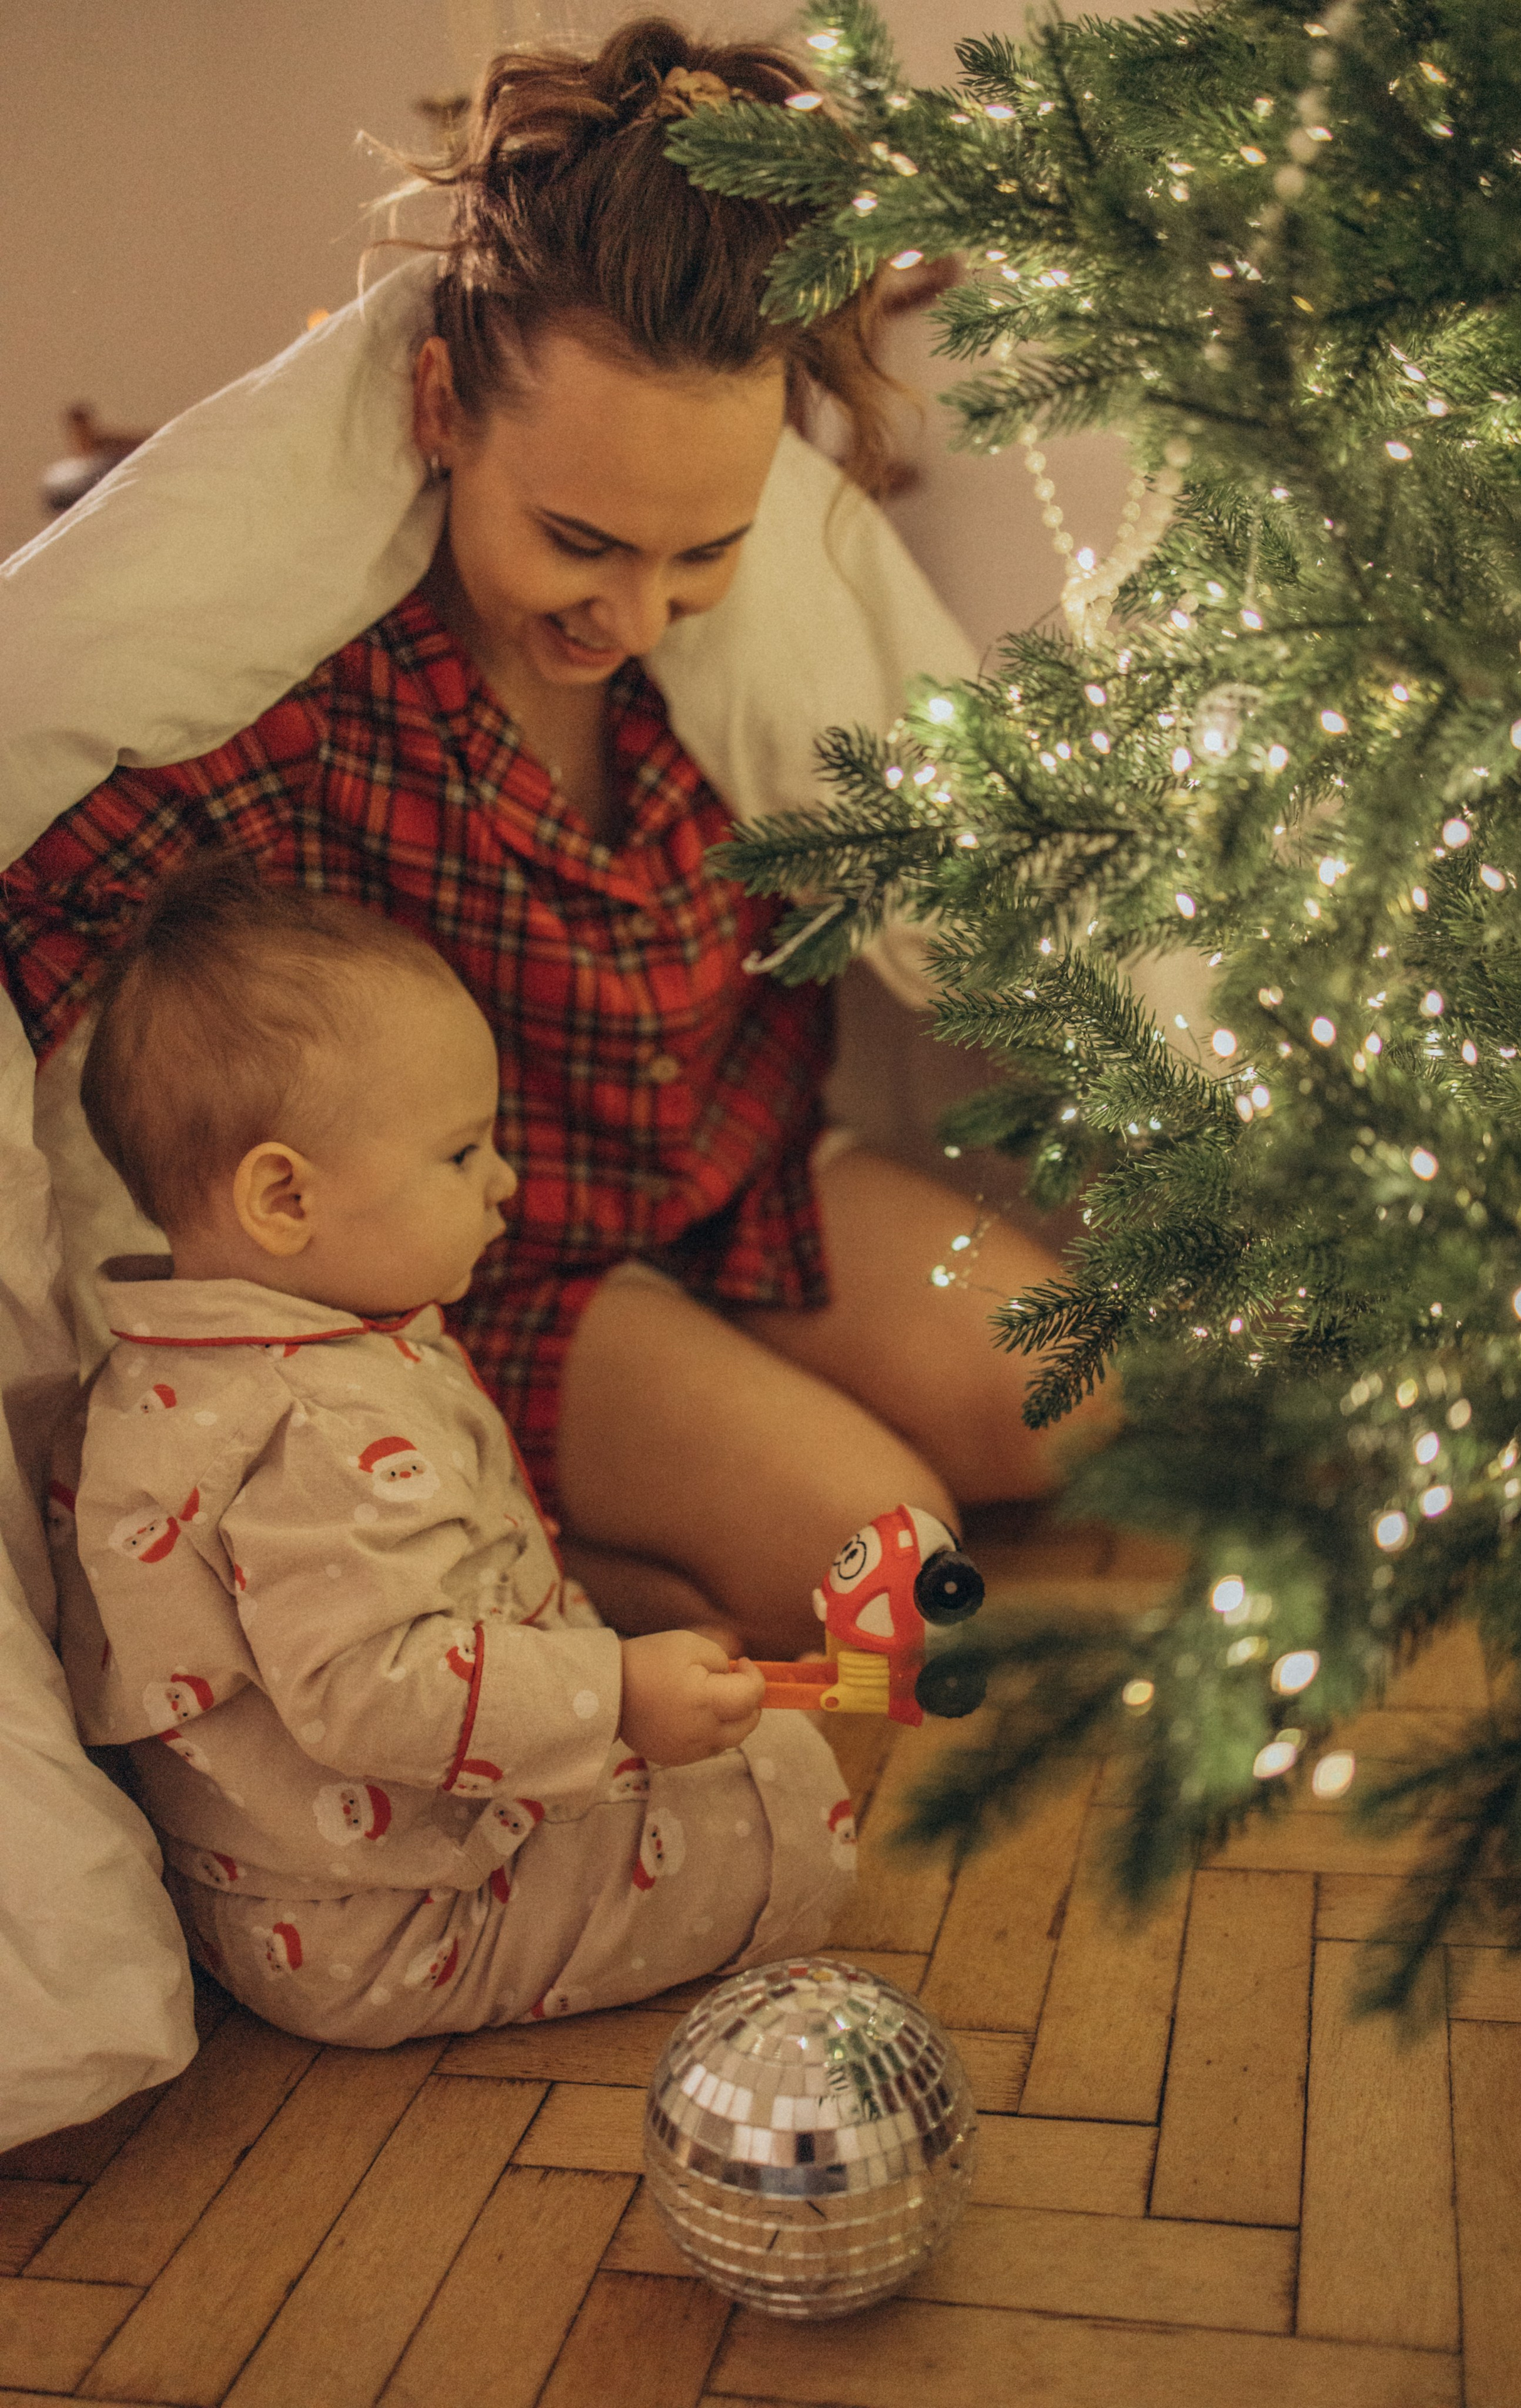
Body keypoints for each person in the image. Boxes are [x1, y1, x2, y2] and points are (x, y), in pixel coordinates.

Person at [0, 18, 1099, 1667]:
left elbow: (949, 843)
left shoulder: (737, 668)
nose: (635, 611)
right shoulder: (323, 698)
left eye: (703, 550)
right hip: (481, 1256)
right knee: (885, 1563)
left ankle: (704, 1465)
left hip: (738, 1182)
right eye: (578, 540)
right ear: (441, 408)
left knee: (1057, 1389)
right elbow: (51, 890)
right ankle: (534, 1600)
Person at [50, 857, 852, 2043]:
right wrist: (614, 1695)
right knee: (793, 1793)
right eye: (462, 1153)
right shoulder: (317, 1424)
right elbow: (377, 1690)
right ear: (284, 1199)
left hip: (274, 1889)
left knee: (714, 1714)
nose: (505, 1184)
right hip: (399, 1921)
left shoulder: (174, 1372)